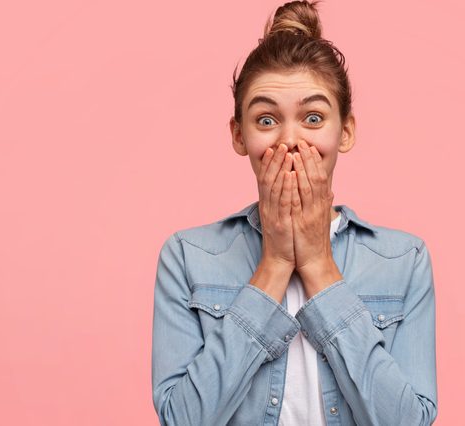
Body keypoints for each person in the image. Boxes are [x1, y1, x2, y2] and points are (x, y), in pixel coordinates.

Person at [151, 1, 438, 425]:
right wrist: (276, 263)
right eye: (266, 120)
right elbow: (182, 420)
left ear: (346, 131)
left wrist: (320, 265)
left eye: (313, 117)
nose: (289, 141)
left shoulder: (404, 260)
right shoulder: (186, 256)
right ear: (238, 135)